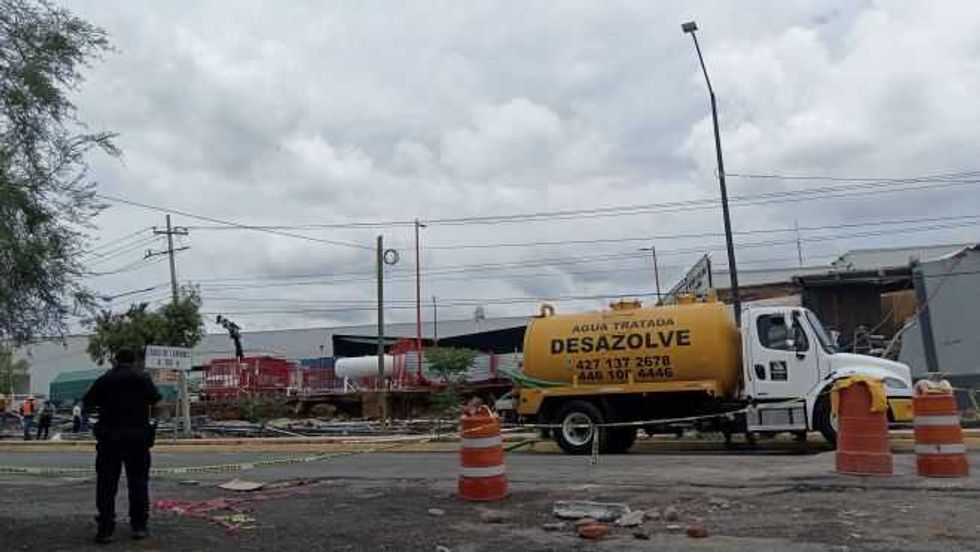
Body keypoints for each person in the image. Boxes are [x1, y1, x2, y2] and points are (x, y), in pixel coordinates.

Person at [83, 349, 162, 544]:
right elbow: (157, 401)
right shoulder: (142, 378)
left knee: (106, 485)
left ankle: (105, 529)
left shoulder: (105, 380)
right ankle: (139, 526)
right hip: (137, 438)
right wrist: (152, 424)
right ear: (133, 360)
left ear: (115, 360)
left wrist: (98, 421)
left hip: (109, 438)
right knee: (138, 483)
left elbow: (88, 403)